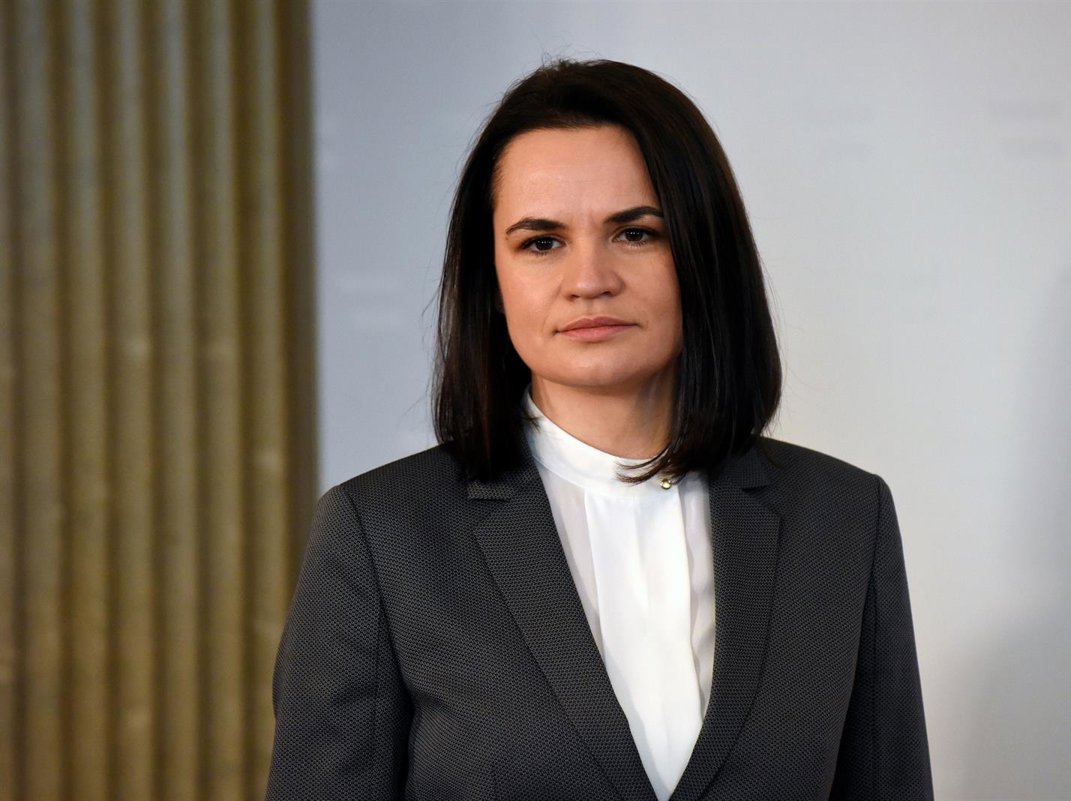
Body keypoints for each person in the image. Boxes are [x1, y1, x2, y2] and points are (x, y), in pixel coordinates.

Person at [265, 59, 933, 801]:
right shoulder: (381, 533)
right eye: (541, 242)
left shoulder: (844, 518)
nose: (589, 280)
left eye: (635, 232)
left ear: (704, 255)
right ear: (493, 280)